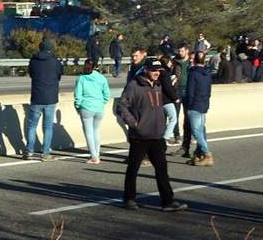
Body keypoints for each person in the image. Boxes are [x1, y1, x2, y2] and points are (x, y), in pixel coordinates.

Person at [113, 60, 186, 212]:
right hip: (140, 136)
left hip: (157, 135)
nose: (157, 73)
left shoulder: (158, 85)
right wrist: (134, 123)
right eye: (154, 70)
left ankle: (168, 201)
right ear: (146, 70)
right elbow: (121, 106)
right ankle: (129, 198)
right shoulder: (134, 85)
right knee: (133, 168)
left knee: (162, 169)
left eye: (159, 70)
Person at [23, 34, 63, 161]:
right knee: (48, 127)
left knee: (32, 125)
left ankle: (29, 151)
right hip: (51, 98)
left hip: (36, 97)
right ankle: (45, 153)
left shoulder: (33, 61)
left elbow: (31, 74)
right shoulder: (55, 62)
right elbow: (59, 75)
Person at [72, 58, 112, 165]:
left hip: (86, 107)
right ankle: (97, 154)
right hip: (99, 107)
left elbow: (78, 95)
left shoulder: (81, 78)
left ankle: (94, 157)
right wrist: (101, 102)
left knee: (88, 132)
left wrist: (78, 106)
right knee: (96, 131)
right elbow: (107, 94)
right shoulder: (101, 78)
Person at [180, 52, 214, 166]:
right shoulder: (207, 73)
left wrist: (189, 105)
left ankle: (207, 153)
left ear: (194, 61)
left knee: (196, 131)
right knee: (201, 129)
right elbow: (209, 91)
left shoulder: (193, 73)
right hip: (203, 104)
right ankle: (198, 154)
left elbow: (190, 91)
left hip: (194, 105)